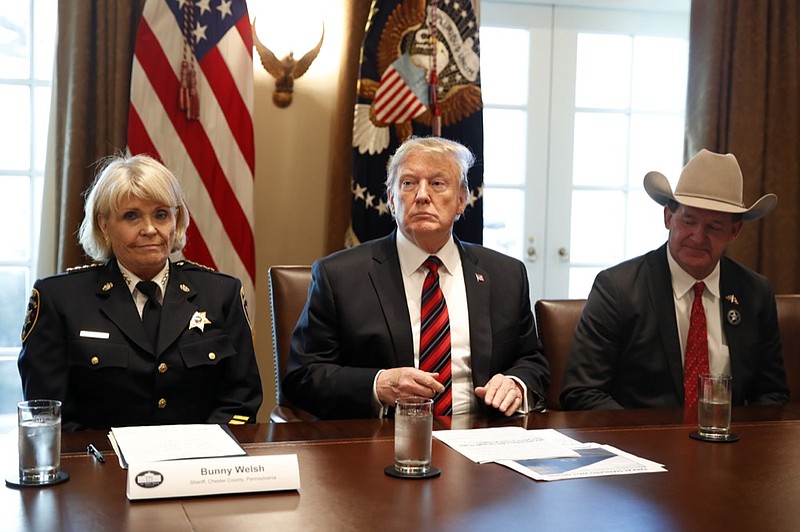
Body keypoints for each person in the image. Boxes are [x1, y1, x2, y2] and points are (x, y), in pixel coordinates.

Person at [282, 136, 550, 419]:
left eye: (437, 183)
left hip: (480, 438)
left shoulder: (506, 275)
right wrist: (377, 385)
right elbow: (303, 377)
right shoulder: (338, 276)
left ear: (461, 200)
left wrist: (516, 385)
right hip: (380, 439)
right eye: (408, 183)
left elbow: (531, 361)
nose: (422, 195)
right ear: (391, 199)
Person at [18, 154, 262, 430]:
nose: (149, 229)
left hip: (198, 464)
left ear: (176, 219)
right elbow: (48, 413)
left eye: (161, 214)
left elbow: (241, 399)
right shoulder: (59, 299)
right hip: (101, 465)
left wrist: (201, 455)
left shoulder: (221, 294)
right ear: (104, 225)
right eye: (131, 216)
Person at [561, 149, 789, 410]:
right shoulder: (618, 288)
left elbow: (771, 394)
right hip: (640, 444)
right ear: (668, 217)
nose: (697, 236)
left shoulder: (755, 293)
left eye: (713, 227)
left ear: (734, 231)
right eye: (688, 221)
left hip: (728, 444)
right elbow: (582, 392)